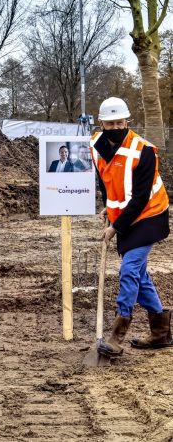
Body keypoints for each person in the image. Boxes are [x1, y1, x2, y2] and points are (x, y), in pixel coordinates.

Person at [89, 97, 171, 359]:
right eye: (110, 123)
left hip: (148, 215)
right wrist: (108, 206)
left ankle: (116, 336)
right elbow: (105, 181)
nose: (115, 127)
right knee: (140, 276)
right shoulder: (96, 146)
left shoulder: (144, 150)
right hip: (124, 213)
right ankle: (161, 333)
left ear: (127, 121)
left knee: (129, 270)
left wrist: (115, 226)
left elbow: (140, 198)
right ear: (100, 123)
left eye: (120, 123)